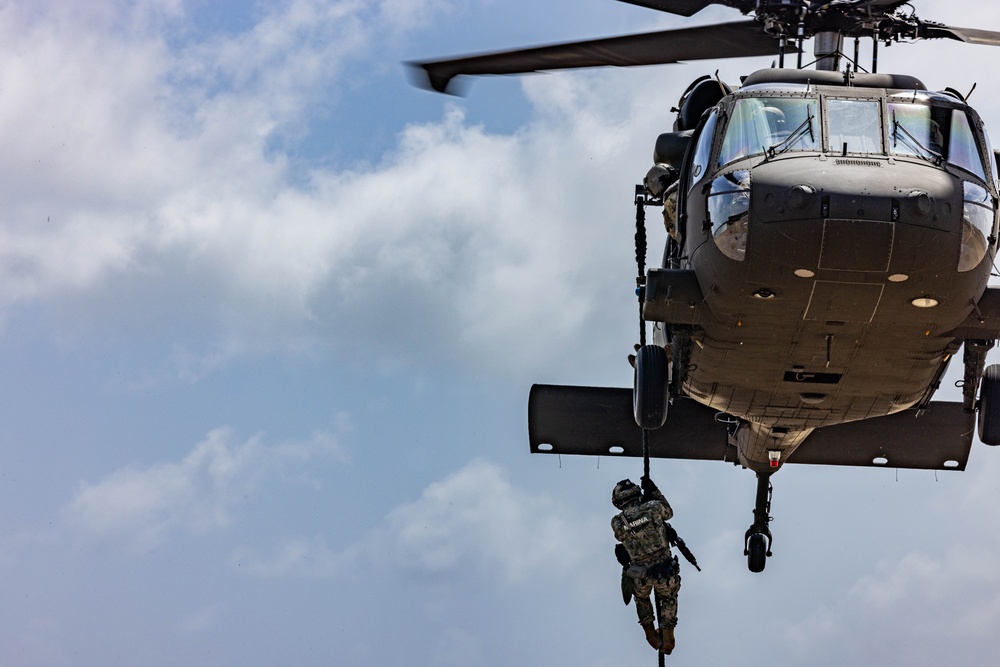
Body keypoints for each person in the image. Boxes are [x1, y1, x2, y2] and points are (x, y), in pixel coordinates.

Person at [611, 476, 681, 654]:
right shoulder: (654, 507)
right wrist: (655, 493)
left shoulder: (618, 522)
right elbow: (669, 513)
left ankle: (651, 635)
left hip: (641, 574)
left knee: (642, 599)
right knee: (668, 599)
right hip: (664, 571)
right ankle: (668, 640)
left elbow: (621, 536)